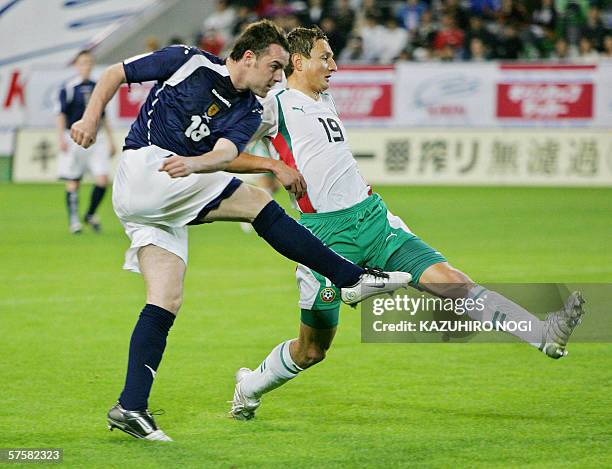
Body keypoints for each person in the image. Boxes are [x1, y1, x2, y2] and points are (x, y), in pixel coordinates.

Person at [70, 20, 410, 442]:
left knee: (165, 300)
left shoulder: (249, 108)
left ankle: (131, 407)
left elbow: (226, 153)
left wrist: (199, 163)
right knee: (259, 205)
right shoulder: (187, 61)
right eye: (274, 66)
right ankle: (350, 277)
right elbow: (113, 74)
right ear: (248, 57)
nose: (278, 78)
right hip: (146, 170)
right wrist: (89, 116)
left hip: (163, 201)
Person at [227, 26, 586, 421]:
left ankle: (544, 335)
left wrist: (352, 183)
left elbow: (325, 154)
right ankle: (248, 388)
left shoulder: (324, 98)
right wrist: (272, 165)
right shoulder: (274, 103)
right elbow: (225, 152)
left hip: (375, 221)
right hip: (323, 238)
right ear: (298, 62)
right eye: (325, 57)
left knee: (455, 283)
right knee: (312, 350)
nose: (334, 65)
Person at [57, 50, 116, 234]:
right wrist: (60, 137)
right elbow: (61, 114)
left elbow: (103, 115)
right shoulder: (68, 87)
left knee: (102, 179)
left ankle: (90, 214)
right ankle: (74, 220)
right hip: (73, 138)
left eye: (89, 62)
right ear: (76, 65)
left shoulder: (97, 86)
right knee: (73, 180)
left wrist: (111, 139)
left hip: (96, 140)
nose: (86, 66)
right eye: (82, 62)